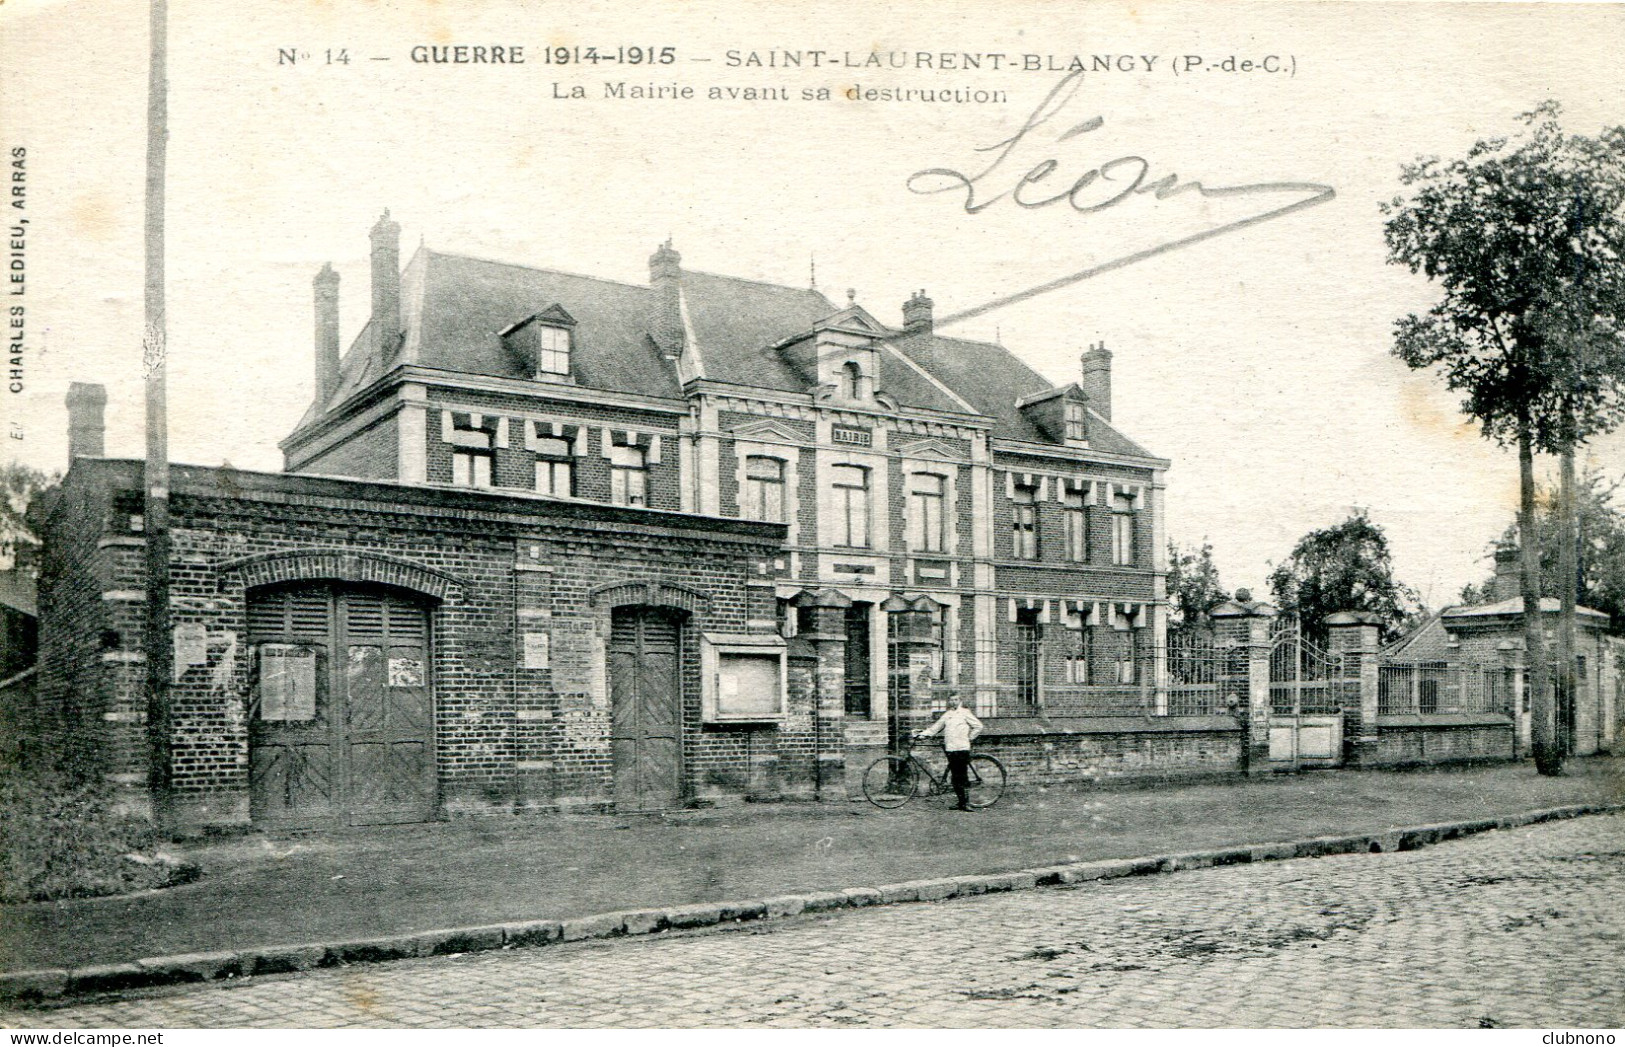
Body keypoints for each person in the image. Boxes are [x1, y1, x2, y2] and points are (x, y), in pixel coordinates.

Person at [915, 696, 984, 811]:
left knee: (961, 776)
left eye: (956, 700)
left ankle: (966, 803)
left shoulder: (965, 713)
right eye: (951, 700)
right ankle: (960, 802)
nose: (953, 702)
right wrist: (923, 735)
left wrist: (969, 738)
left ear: (960, 701)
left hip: (962, 748)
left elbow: (978, 726)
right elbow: (935, 728)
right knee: (954, 777)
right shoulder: (947, 714)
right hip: (951, 748)